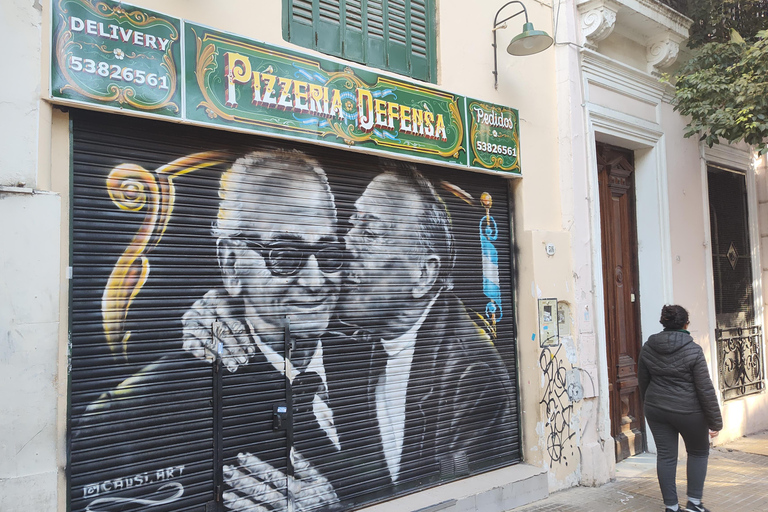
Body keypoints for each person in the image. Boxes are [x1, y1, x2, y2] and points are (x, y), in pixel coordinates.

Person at [78, 149, 345, 512]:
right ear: (231, 264)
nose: (317, 281)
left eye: (328, 253)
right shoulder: (131, 417)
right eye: (284, 254)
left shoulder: (377, 359)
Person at [329, 167, 517, 502]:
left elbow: (456, 493)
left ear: (423, 274)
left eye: (370, 233)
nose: (346, 245)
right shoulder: (365, 338)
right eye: (352, 224)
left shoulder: (471, 375)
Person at [638, 305, 723, 512]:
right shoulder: (693, 350)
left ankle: (671, 507)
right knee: (698, 453)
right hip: (689, 411)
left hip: (656, 409)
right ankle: (694, 504)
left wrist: (650, 405)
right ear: (686, 324)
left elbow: (643, 381)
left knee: (666, 456)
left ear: (664, 323)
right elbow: (705, 389)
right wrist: (715, 422)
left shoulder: (648, 347)